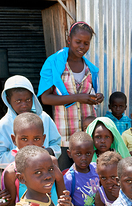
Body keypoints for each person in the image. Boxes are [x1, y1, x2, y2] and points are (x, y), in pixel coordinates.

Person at [38, 22, 103, 170]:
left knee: (88, 177)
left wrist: (97, 97)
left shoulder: (90, 68)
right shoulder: (54, 63)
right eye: (78, 42)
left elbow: (88, 94)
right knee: (65, 177)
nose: (82, 46)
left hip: (88, 135)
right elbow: (46, 98)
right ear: (69, 40)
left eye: (86, 43)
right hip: (65, 135)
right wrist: (77, 97)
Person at [0, 75, 61, 169]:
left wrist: (47, 152)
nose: (24, 105)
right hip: (18, 177)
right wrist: (23, 155)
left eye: (28, 100)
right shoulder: (4, 124)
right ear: (8, 100)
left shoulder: (44, 118)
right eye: (18, 101)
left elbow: (56, 144)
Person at [1, 113, 64, 206]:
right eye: (24, 139)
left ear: (43, 139)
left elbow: (61, 195)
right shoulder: (11, 172)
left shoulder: (52, 162)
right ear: (14, 140)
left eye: (36, 139)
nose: (30, 144)